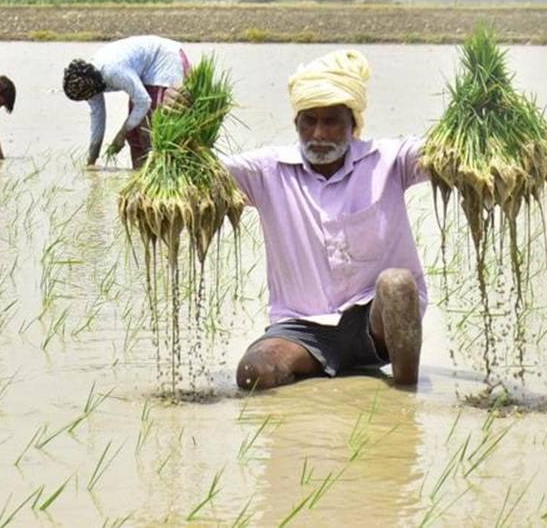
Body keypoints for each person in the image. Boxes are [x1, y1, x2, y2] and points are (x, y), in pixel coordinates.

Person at [173, 49, 425, 390]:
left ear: (353, 125)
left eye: (331, 120)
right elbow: (195, 177)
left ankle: (405, 395)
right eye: (309, 120)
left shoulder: (390, 160)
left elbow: (448, 154)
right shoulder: (266, 171)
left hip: (375, 323)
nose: (319, 133)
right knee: (252, 374)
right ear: (296, 123)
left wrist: (484, 114)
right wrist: (178, 129)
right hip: (303, 328)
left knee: (397, 284)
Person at [61, 35, 191, 168]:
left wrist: (121, 134)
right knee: (134, 134)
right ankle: (139, 176)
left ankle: (157, 171)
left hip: (162, 61)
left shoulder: (112, 71)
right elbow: (98, 119)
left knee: (150, 128)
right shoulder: (88, 86)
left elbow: (144, 101)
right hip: (144, 72)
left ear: (93, 83)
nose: (89, 98)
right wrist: (91, 161)